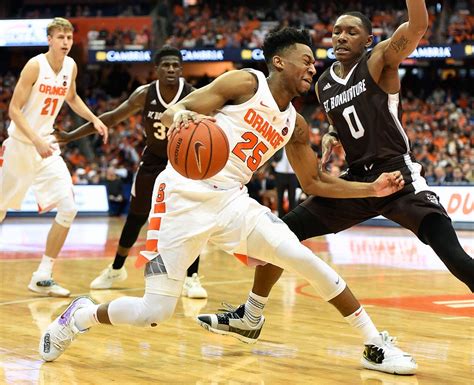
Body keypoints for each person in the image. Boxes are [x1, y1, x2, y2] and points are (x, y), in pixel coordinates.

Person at [40, 27, 415, 375]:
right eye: (306, 60)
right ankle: (79, 317)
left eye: (314, 63)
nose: (312, 68)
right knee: (153, 312)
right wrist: (182, 117)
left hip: (234, 201)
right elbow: (177, 109)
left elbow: (314, 181)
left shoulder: (295, 125)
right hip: (183, 196)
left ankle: (374, 344)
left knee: (302, 257)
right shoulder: (246, 82)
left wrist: (370, 189)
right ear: (279, 61)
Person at [199, 0, 474, 357]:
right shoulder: (323, 84)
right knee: (281, 234)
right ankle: (251, 315)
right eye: (336, 31)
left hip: (399, 177)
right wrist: (332, 134)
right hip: (358, 181)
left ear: (369, 41)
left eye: (351, 32)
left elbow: (418, 25)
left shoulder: (378, 62)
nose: (341, 37)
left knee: (452, 254)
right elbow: (342, 119)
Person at [55, 46, 207, 298]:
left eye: (175, 66)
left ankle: (191, 277)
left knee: (189, 219)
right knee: (136, 217)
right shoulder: (144, 94)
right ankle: (116, 269)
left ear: (181, 70)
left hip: (183, 163)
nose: (171, 69)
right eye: (166, 65)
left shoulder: (194, 94)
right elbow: (112, 117)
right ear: (156, 70)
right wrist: (71, 136)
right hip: (153, 161)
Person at [0, 17, 107, 297]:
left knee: (69, 208)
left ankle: (43, 276)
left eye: (69, 38)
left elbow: (71, 98)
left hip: (47, 147)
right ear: (49, 39)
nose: (65, 42)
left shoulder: (70, 66)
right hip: (22, 146)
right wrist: (35, 140)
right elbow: (14, 110)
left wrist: (94, 118)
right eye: (60, 37)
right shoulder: (35, 65)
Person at [272, 148, 298, 217]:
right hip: (280, 171)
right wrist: (272, 162)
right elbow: (270, 151)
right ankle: (280, 217)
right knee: (280, 197)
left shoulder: (295, 145)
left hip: (292, 172)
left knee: (292, 197)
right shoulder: (280, 144)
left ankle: (292, 217)